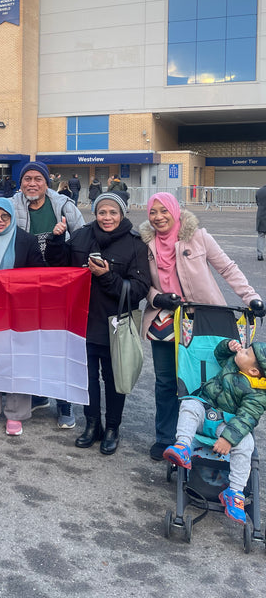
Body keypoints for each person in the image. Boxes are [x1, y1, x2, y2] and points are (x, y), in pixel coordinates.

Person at [140, 192, 264, 461]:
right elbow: (140, 281)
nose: (158, 217)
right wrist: (157, 297)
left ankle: (202, 436)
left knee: (204, 381)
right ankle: (165, 438)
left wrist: (251, 297)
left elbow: (227, 268)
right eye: (153, 212)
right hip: (164, 319)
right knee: (166, 382)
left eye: (164, 210)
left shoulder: (198, 237)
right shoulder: (145, 244)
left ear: (175, 210)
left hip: (203, 320)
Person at [0, 160, 84, 427]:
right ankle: (27, 398)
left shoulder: (63, 206)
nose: (32, 184)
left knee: (54, 346)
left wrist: (81, 267)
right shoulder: (10, 206)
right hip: (2, 305)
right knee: (2, 353)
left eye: (38, 179)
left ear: (47, 182)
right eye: (27, 179)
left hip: (54, 287)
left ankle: (63, 405)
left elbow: (82, 235)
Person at [46, 192, 150, 454]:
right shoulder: (81, 236)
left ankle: (113, 428)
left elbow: (139, 289)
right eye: (102, 212)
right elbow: (58, 266)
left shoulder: (135, 243)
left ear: (122, 214)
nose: (107, 217)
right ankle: (92, 425)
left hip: (116, 325)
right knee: (87, 378)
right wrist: (56, 240)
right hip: (82, 321)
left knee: (114, 380)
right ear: (95, 213)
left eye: (113, 212)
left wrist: (106, 276)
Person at [163, 339, 266, 524]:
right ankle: (183, 446)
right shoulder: (232, 362)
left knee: (247, 442)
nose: (241, 350)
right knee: (189, 404)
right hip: (205, 408)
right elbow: (218, 354)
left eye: (246, 352)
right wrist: (227, 346)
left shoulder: (258, 396)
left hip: (226, 425)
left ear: (253, 371)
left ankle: (235, 492)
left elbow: (246, 419)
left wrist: (228, 439)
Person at [0, 198, 44, 435]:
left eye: (5, 216)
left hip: (19, 311)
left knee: (19, 359)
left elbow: (39, 274)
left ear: (13, 217)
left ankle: (16, 413)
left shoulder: (27, 240)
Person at [256, 184, 266, 261]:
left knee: (261, 235)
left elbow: (257, 203)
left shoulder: (259, 191)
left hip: (261, 215)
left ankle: (260, 255)